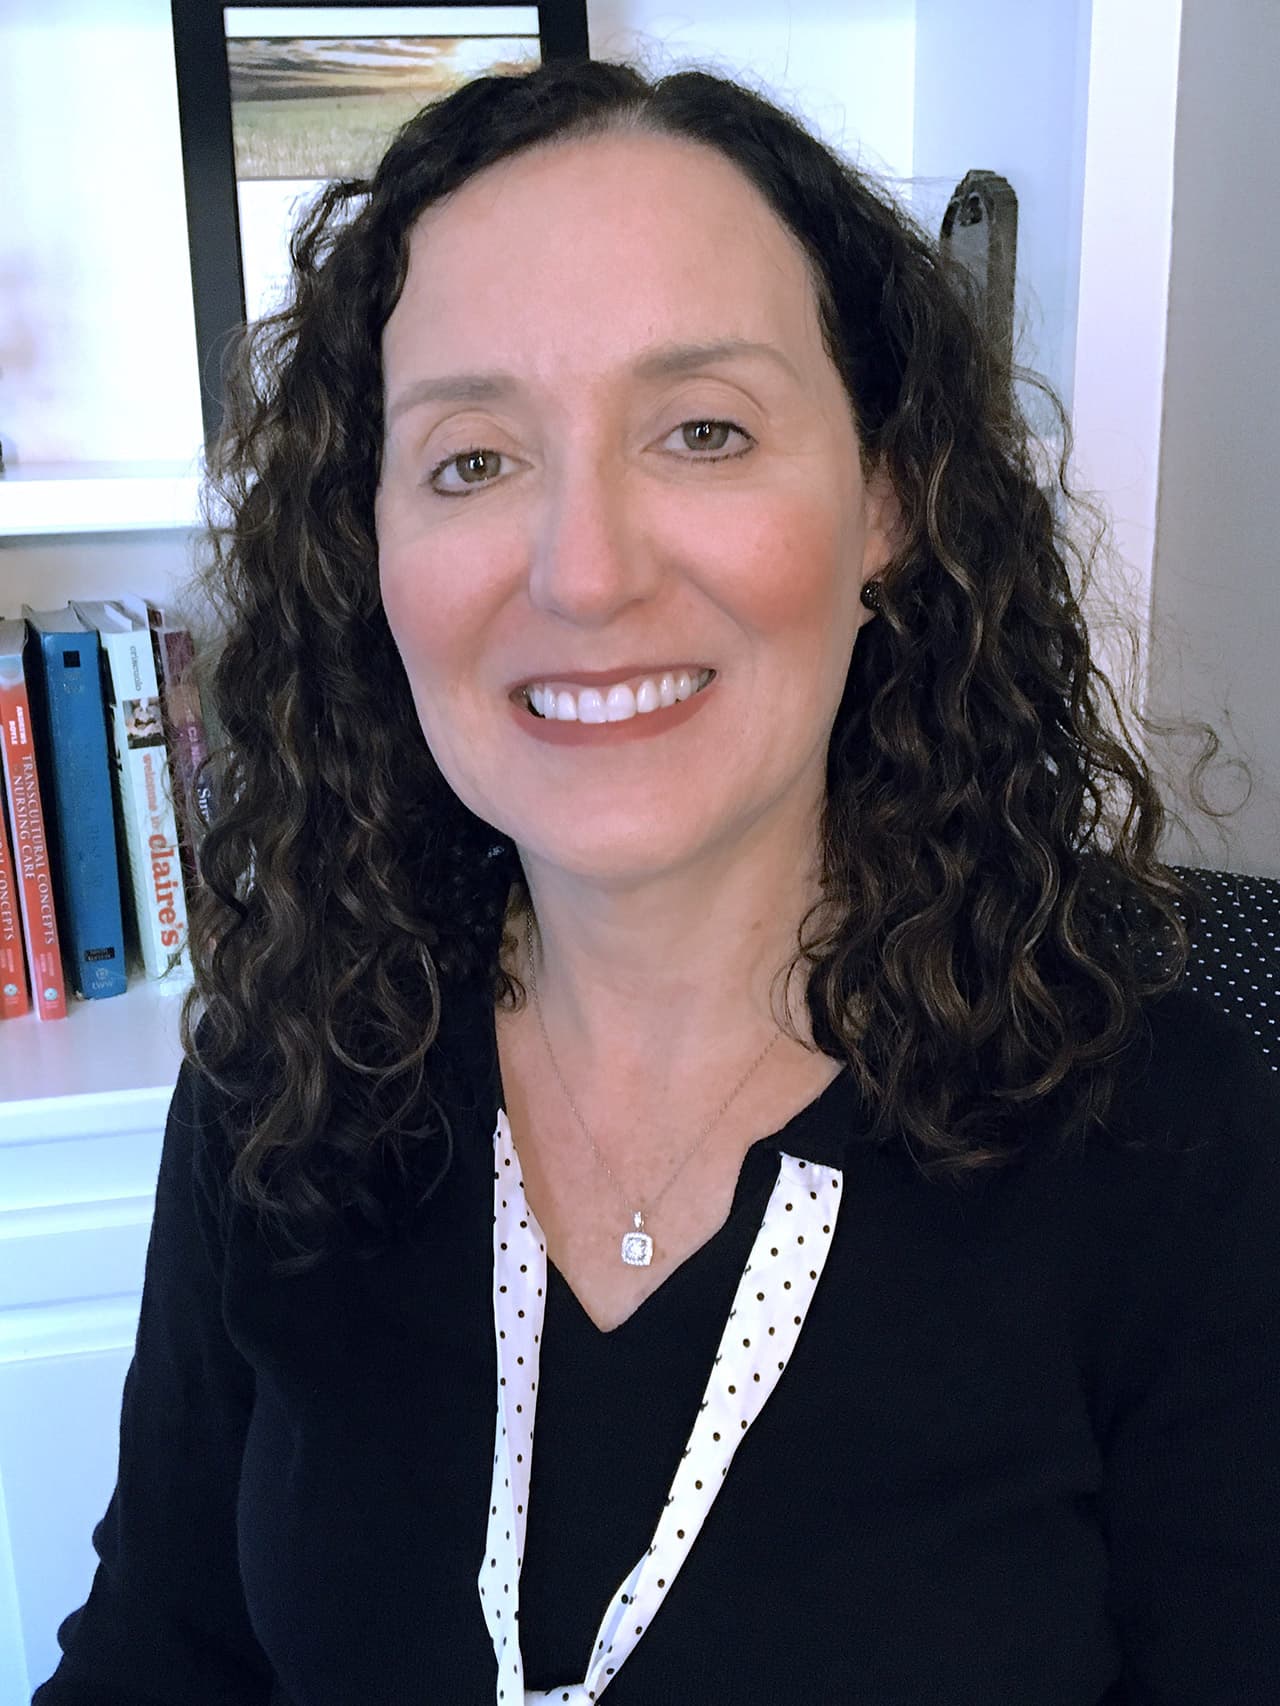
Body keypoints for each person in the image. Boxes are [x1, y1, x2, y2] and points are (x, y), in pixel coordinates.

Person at [34, 54, 1280, 1706]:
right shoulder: (287, 1073)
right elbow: (155, 1662)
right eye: (473, 459)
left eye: (704, 430)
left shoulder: (1164, 1141)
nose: (587, 570)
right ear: (375, 548)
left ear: (886, 500)